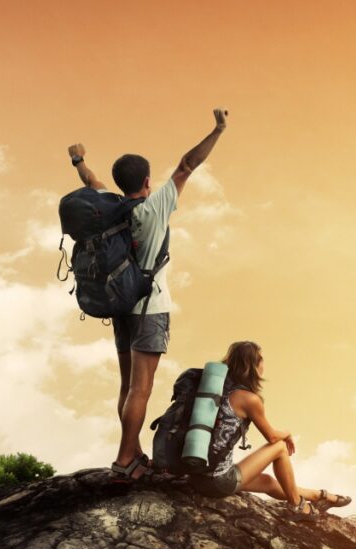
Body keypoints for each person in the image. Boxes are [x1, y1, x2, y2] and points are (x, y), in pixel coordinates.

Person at [66, 108, 229, 481]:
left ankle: (133, 450)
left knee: (127, 386)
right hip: (149, 307)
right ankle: (126, 459)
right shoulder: (155, 207)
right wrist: (218, 129)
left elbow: (92, 183)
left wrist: (78, 160)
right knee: (141, 388)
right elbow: (188, 165)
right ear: (147, 180)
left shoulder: (111, 208)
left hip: (120, 304)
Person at [189, 340, 352, 515]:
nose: (264, 365)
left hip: (195, 476)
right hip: (218, 481)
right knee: (280, 448)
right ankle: (298, 506)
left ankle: (319, 496)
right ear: (253, 365)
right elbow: (273, 438)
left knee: (267, 481)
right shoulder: (249, 399)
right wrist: (287, 433)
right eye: (261, 360)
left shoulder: (215, 392)